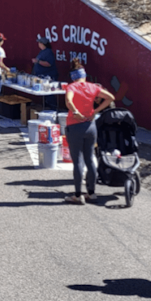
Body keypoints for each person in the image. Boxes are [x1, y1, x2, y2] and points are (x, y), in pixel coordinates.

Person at [64, 58, 115, 204]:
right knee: (90, 158)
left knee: (77, 161)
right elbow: (110, 97)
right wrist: (96, 111)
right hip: (90, 126)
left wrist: (75, 111)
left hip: (75, 125)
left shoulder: (72, 87)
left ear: (73, 77)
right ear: (84, 75)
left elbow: (69, 101)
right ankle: (91, 193)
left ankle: (77, 194)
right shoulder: (92, 87)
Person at [32, 36, 58, 109]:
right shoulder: (42, 51)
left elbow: (49, 63)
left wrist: (38, 61)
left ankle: (53, 108)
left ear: (43, 44)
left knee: (49, 93)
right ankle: (47, 108)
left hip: (49, 76)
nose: (38, 44)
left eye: (39, 43)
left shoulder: (48, 52)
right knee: (45, 94)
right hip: (42, 76)